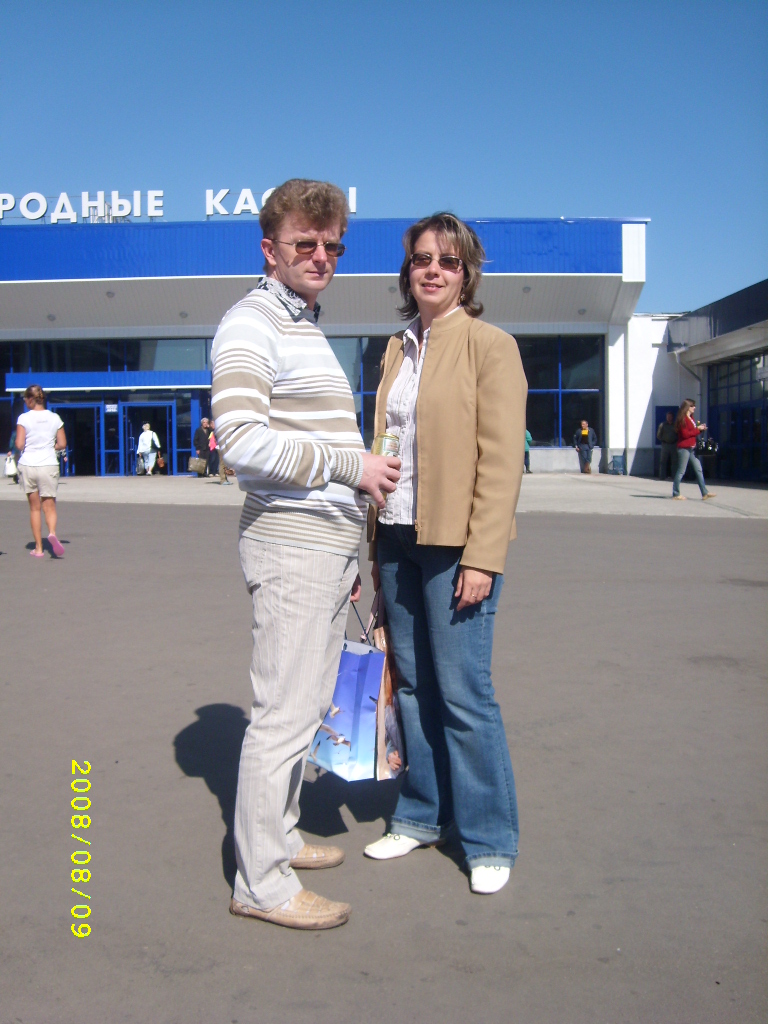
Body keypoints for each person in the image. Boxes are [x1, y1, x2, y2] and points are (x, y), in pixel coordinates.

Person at [210, 179, 400, 930]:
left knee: (308, 706)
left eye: (333, 246)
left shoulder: (302, 325)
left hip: (320, 546)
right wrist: (352, 465)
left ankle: (281, 839)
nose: (321, 256)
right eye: (304, 244)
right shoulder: (251, 323)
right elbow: (242, 444)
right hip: (290, 545)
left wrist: (347, 547)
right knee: (283, 716)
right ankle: (261, 884)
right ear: (270, 249)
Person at [363, 213, 527, 896]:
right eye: (422, 259)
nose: (432, 270)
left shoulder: (490, 346)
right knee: (412, 687)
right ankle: (421, 815)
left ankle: (489, 837)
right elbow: (386, 446)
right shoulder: (396, 349)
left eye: (448, 261)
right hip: (397, 537)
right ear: (407, 272)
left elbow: (501, 463)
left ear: (467, 274)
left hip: (456, 544)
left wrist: (483, 556)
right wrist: (373, 547)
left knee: (464, 693)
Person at [15, 384, 67, 557]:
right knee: (49, 505)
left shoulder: (24, 418)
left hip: (29, 464)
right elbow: (62, 444)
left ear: (31, 399)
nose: (25, 402)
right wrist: (50, 446)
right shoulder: (55, 418)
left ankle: (38, 548)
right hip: (48, 464)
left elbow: (19, 444)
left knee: (34, 508)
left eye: (25, 399)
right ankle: (52, 532)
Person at [672, 399, 716, 501]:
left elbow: (692, 432)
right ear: (687, 407)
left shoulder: (691, 418)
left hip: (691, 448)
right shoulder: (682, 419)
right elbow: (685, 434)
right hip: (684, 448)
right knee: (681, 471)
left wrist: (700, 429)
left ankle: (705, 493)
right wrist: (698, 429)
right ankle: (676, 493)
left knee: (698, 469)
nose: (694, 408)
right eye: (692, 406)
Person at [657, 412, 678, 479]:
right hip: (665, 445)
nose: (668, 418)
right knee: (663, 461)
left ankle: (674, 476)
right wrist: (663, 439)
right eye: (667, 416)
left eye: (670, 416)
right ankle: (662, 476)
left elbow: (678, 434)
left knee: (674, 461)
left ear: (672, 417)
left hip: (674, 445)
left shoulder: (675, 425)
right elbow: (659, 435)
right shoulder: (662, 425)